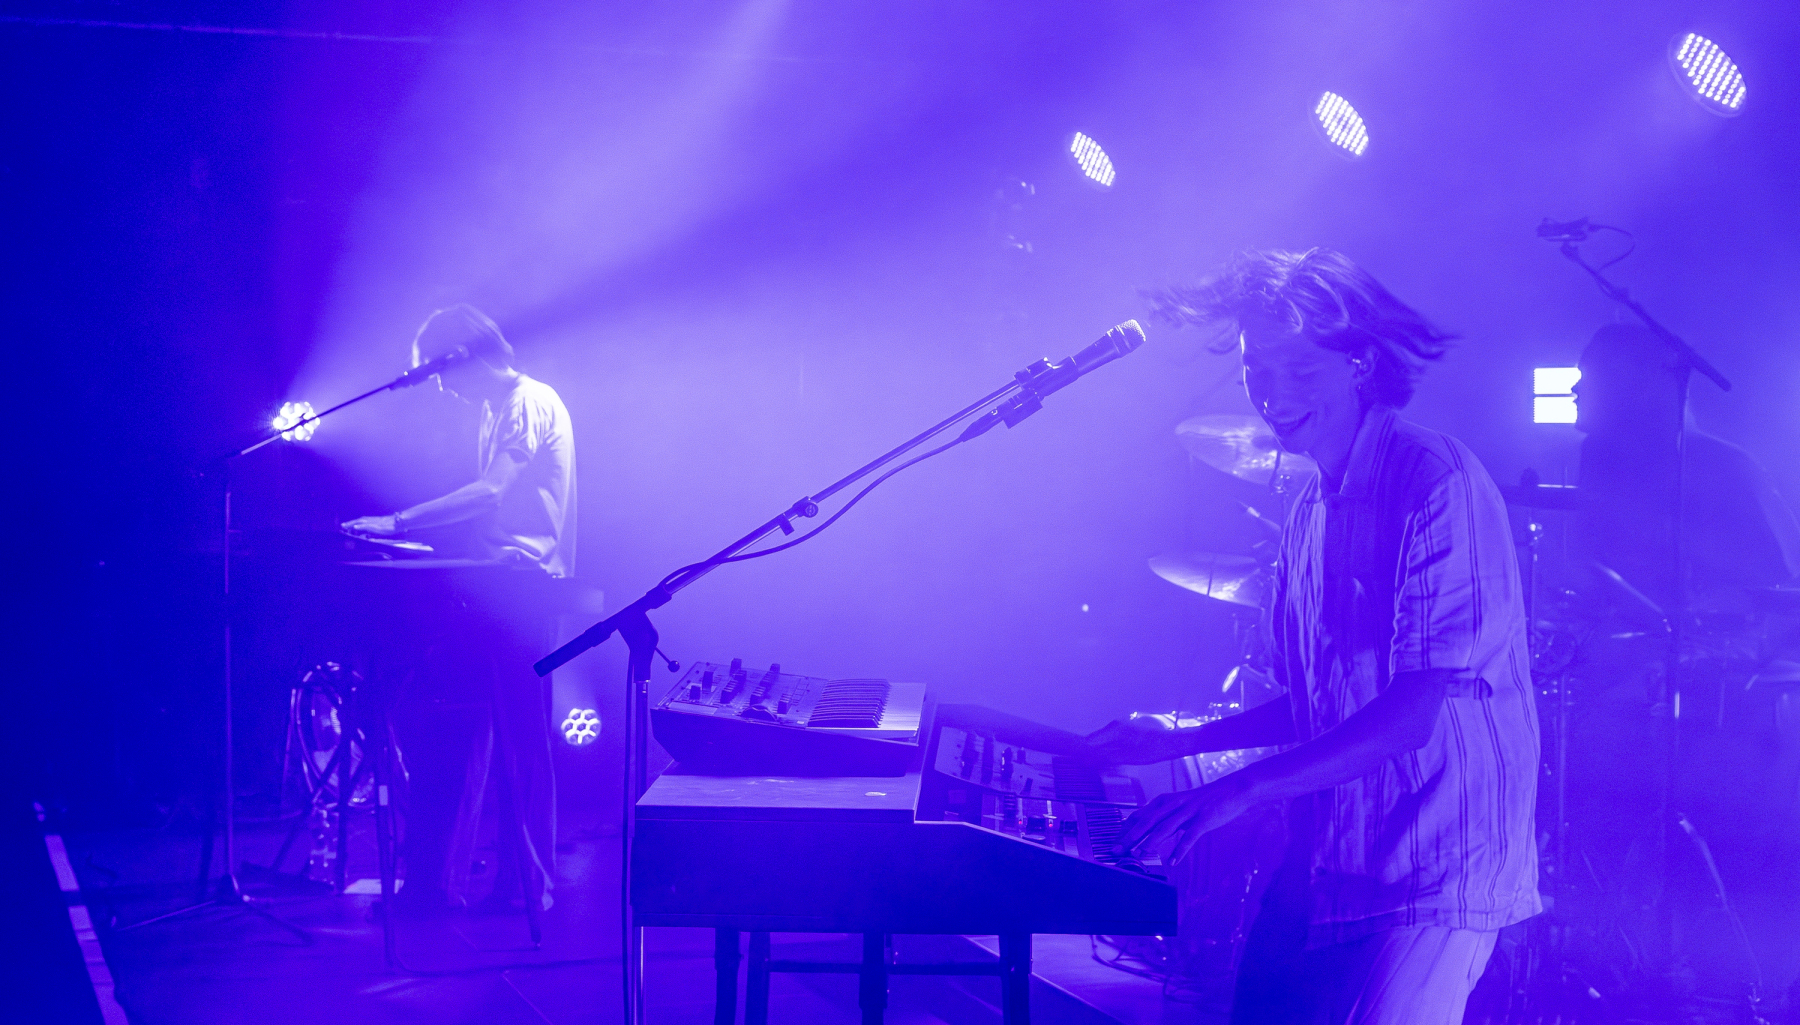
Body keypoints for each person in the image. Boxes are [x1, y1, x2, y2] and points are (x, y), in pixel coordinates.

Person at [1094, 249, 1540, 1024]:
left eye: (1299, 368)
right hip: (1332, 864)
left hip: (1432, 872)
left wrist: (1237, 788)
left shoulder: (1435, 481)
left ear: (1360, 364)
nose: (1272, 392)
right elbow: (1314, 703)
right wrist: (1181, 741)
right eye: (1255, 369)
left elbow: (1408, 717)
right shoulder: (1309, 509)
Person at [342, 304, 577, 912]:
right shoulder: (497, 409)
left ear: (463, 354)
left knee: (517, 741)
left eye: (438, 371)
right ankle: (453, 884)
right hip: (500, 584)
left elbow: (492, 492)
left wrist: (398, 523)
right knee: (471, 732)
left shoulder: (527, 400)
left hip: (523, 591)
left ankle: (525, 887)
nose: (441, 388)